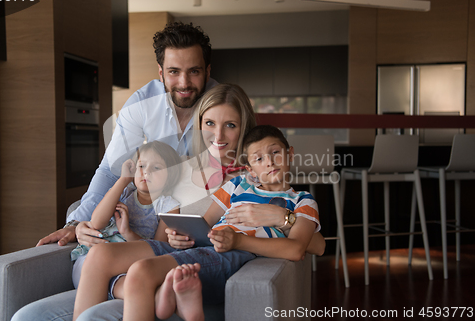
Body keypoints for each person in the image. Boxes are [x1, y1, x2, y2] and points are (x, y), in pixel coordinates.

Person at [74, 124, 321, 321]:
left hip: (233, 252)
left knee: (141, 271)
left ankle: (172, 295)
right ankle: (170, 296)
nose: (269, 162)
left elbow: (297, 249)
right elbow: (205, 222)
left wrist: (239, 240)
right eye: (259, 158)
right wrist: (179, 233)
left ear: (290, 153)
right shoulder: (238, 185)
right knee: (99, 256)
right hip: (204, 244)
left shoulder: (302, 201)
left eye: (275, 153)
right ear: (250, 169)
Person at [36, 21, 216, 249]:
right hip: (149, 216)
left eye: (194, 71)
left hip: (198, 211)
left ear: (207, 72)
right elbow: (111, 170)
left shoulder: (222, 104)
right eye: (173, 72)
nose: (184, 83)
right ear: (161, 73)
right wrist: (76, 222)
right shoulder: (142, 103)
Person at [70, 141, 182, 288]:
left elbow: (159, 250)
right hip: (94, 258)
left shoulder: (168, 206)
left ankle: (154, 296)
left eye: (156, 168)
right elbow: (96, 223)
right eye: (141, 166)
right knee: (89, 270)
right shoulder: (124, 192)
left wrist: (127, 233)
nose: (146, 171)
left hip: (131, 261)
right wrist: (123, 180)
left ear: (171, 175)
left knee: (130, 281)